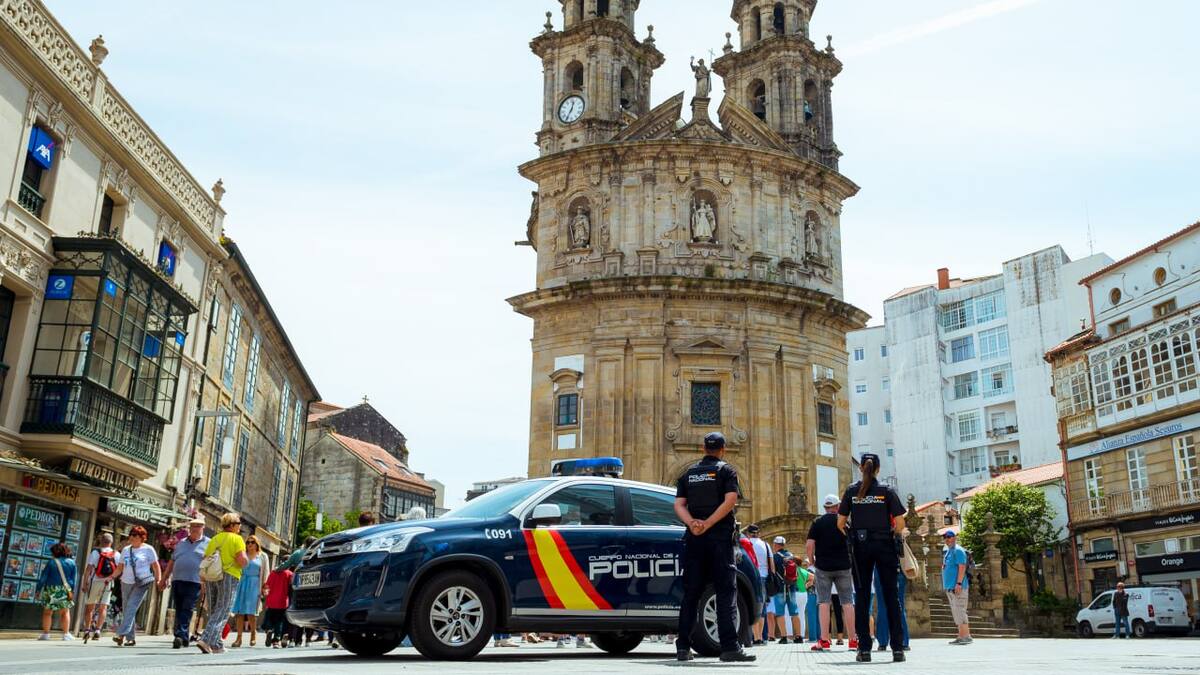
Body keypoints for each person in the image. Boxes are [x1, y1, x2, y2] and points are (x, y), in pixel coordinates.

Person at [673, 432, 755, 663]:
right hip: (719, 539)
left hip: (694, 538)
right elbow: (730, 501)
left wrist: (692, 523)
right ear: (723, 449)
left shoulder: (688, 474)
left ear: (703, 448)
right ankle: (729, 647)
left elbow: (678, 504)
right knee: (726, 591)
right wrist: (709, 523)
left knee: (691, 594)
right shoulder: (726, 470)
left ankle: (682, 647)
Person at [837, 453, 906, 663]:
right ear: (877, 468)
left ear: (861, 468)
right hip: (885, 546)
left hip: (861, 547)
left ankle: (864, 649)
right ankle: (897, 649)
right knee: (891, 597)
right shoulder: (887, 491)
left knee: (863, 596)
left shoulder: (851, 491)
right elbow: (901, 523)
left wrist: (853, 534)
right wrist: (892, 535)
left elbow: (840, 523)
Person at [806, 494, 855, 652]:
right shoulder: (844, 522)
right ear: (837, 506)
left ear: (825, 507)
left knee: (824, 603)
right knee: (847, 602)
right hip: (843, 566)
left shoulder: (817, 522)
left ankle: (825, 640)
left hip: (823, 567)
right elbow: (853, 544)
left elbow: (809, 545)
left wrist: (812, 560)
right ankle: (853, 640)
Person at [197, 513, 249, 654]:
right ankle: (206, 639)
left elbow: (206, 557)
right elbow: (242, 560)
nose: (240, 526)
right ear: (232, 525)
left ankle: (216, 644)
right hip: (229, 575)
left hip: (212, 576)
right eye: (238, 523)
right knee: (223, 609)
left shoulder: (215, 538)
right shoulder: (237, 539)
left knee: (214, 610)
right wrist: (246, 560)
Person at [160, 518, 209, 649]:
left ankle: (179, 635)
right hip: (178, 580)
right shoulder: (181, 543)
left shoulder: (208, 543)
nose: (194, 528)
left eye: (198, 526)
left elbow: (210, 564)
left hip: (195, 581)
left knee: (187, 608)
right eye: (192, 526)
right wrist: (164, 578)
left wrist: (206, 583)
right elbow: (172, 562)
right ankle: (185, 638)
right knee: (180, 608)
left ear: (203, 528)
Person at [113, 526, 161, 647]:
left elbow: (156, 566)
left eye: (135, 535)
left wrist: (159, 579)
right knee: (128, 609)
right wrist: (110, 577)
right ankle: (131, 639)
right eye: (131, 535)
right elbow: (120, 568)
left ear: (142, 538)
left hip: (142, 582)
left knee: (131, 606)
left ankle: (121, 634)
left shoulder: (148, 549)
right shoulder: (126, 550)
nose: (132, 537)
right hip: (125, 582)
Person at [80, 533, 121, 643]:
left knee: (90, 607)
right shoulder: (116, 554)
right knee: (103, 607)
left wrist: (84, 583)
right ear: (111, 542)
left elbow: (88, 569)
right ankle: (98, 630)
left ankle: (87, 630)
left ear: (101, 541)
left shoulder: (95, 552)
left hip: (95, 581)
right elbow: (119, 570)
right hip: (108, 583)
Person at [875, 535, 910, 652]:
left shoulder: (875, 532)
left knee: (882, 606)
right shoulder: (898, 532)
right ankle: (903, 641)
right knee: (899, 605)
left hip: (880, 569)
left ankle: (883, 642)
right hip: (897, 568)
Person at [230, 535, 268, 647]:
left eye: (252, 542)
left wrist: (264, 587)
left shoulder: (263, 556)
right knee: (240, 612)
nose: (249, 544)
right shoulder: (243, 555)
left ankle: (253, 634)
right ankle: (239, 638)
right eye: (248, 542)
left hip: (255, 584)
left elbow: (265, 572)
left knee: (251, 612)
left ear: (257, 544)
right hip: (242, 583)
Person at [36, 542, 77, 641]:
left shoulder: (51, 562)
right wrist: (71, 591)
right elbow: (73, 580)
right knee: (65, 612)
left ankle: (46, 634)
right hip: (65, 589)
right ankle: (66, 634)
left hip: (51, 589)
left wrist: (38, 589)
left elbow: (43, 577)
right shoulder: (71, 563)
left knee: (47, 613)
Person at [771, 537, 803, 644]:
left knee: (780, 613)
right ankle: (798, 637)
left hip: (780, 588)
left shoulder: (775, 557)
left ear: (776, 545)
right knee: (794, 612)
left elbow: (772, 572)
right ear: (784, 545)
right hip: (792, 587)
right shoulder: (791, 556)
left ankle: (784, 637)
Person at [942, 530, 972, 645]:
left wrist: (958, 583)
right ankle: (962, 635)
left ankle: (965, 636)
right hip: (951, 587)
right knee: (956, 611)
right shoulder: (949, 551)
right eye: (945, 537)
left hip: (958, 587)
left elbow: (962, 567)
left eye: (949, 537)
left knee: (960, 610)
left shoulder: (958, 550)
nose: (947, 539)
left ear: (955, 538)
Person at [745, 524, 773, 644]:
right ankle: (760, 637)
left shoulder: (747, 544)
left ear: (748, 533)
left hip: (751, 576)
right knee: (762, 608)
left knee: (751, 605)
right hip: (764, 577)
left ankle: (754, 637)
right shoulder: (766, 545)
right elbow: (771, 564)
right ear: (759, 533)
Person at [263, 562, 294, 647]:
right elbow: (292, 587)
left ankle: (269, 630)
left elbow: (267, 585)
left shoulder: (272, 573)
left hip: (271, 601)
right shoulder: (289, 574)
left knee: (270, 619)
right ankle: (276, 640)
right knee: (279, 622)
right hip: (282, 602)